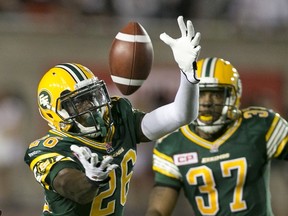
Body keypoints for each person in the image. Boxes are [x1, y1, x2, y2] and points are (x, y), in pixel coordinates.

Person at [24, 15, 201, 216]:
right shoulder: (48, 148)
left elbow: (180, 115)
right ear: (54, 110)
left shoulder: (118, 120)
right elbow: (72, 187)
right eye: (79, 103)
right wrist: (89, 180)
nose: (91, 106)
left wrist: (188, 75)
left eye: (92, 96)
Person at [145, 57, 288, 216]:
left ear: (233, 96)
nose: (206, 102)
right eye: (201, 93)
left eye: (216, 94)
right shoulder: (172, 143)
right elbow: (159, 206)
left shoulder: (259, 126)